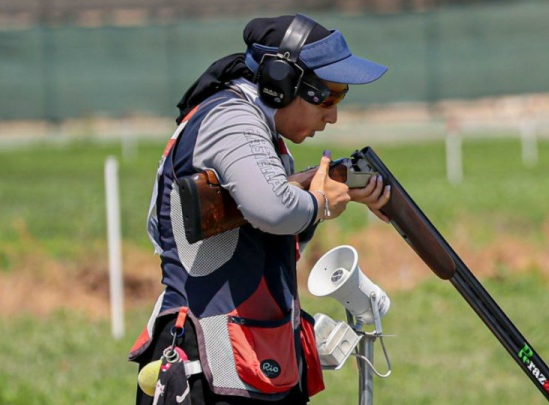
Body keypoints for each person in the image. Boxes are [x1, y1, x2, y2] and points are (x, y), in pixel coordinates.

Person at [128, 13, 390, 405]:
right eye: (328, 97)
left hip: (247, 360)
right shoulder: (231, 119)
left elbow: (272, 232)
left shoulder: (258, 128)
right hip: (209, 365)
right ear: (283, 84)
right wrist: (319, 203)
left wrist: (340, 192)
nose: (333, 114)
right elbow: (274, 210)